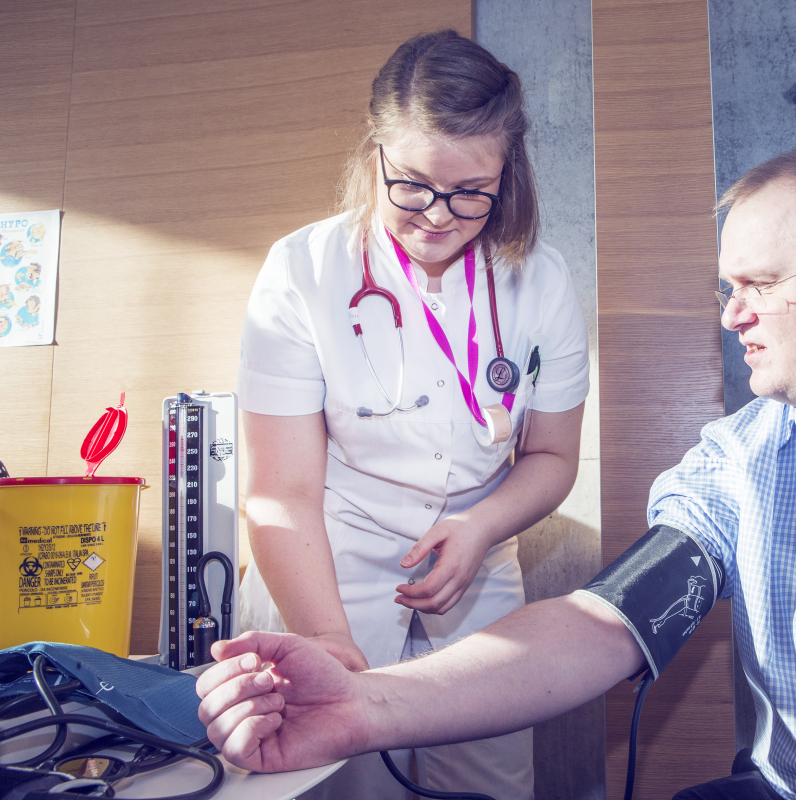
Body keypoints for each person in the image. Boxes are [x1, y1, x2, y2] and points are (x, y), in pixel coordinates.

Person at [200, 146, 796, 800]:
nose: (732, 315)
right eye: (726, 288)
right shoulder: (740, 456)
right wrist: (364, 706)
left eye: (759, 285)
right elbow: (605, 622)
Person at [233, 29, 589, 800]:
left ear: (508, 173)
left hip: (478, 554)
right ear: (376, 157)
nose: (436, 215)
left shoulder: (543, 281)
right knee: (341, 778)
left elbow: (553, 457)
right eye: (414, 186)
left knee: (492, 780)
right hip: (329, 559)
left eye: (470, 191)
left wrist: (482, 526)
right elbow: (281, 491)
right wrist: (326, 635)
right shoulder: (302, 273)